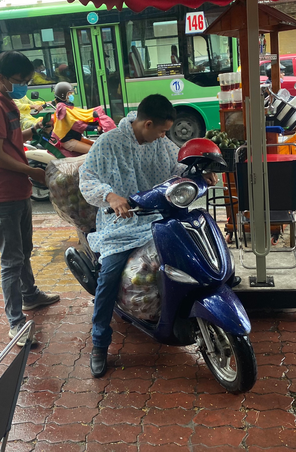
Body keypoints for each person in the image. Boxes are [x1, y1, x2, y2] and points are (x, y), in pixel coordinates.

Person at [79, 94, 217, 378]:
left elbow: (177, 168)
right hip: (121, 223)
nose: (165, 137)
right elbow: (88, 177)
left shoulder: (161, 144)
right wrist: (111, 196)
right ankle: (99, 343)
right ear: (148, 123)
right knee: (110, 274)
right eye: (163, 131)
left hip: (158, 216)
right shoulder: (109, 143)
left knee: (193, 245)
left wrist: (200, 175)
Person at [0, 51, 60, 346]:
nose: (23, 85)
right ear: (2, 79)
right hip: (2, 194)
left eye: (26, 80)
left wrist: (33, 129)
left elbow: (10, 141)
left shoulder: (8, 102)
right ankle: (15, 323)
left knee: (24, 250)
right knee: (11, 261)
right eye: (20, 80)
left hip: (18, 190)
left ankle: (30, 295)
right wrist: (31, 172)